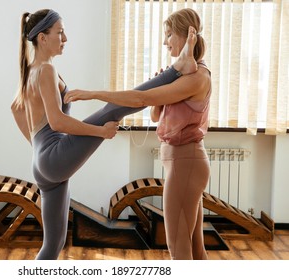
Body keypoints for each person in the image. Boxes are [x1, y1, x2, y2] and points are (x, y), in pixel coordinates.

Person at [11, 8, 197, 260]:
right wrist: (100, 131)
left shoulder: (31, 69)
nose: (65, 38)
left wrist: (38, 149)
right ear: (42, 38)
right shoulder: (46, 70)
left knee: (53, 244)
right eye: (60, 32)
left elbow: (16, 109)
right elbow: (57, 122)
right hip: (52, 157)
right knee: (113, 110)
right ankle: (177, 68)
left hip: (42, 163)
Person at [64, 8, 210, 260]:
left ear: (187, 36)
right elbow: (155, 115)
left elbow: (139, 98)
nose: (165, 42)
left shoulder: (196, 78)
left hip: (186, 162)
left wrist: (94, 94)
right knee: (195, 249)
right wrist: (163, 88)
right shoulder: (186, 76)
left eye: (168, 35)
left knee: (179, 248)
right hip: (182, 162)